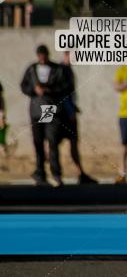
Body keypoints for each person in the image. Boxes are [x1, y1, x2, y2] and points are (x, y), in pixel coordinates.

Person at [20, 45, 67, 186]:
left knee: (52, 141)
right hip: (36, 109)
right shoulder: (32, 69)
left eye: (44, 55)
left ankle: (56, 173)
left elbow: (64, 87)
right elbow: (23, 86)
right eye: (40, 55)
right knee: (38, 142)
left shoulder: (57, 69)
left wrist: (48, 90)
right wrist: (34, 90)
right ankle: (40, 173)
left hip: (50, 107)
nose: (42, 58)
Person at [58, 52, 97, 184]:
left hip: (69, 111)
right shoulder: (61, 70)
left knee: (74, 142)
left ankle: (80, 173)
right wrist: (70, 110)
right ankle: (55, 173)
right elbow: (62, 94)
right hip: (63, 114)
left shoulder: (69, 70)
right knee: (54, 143)